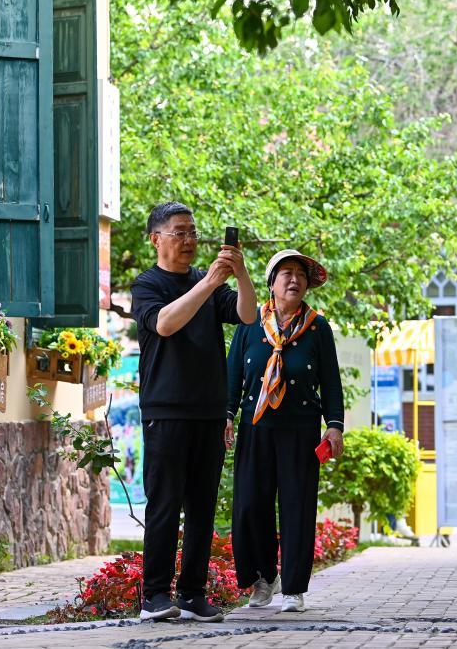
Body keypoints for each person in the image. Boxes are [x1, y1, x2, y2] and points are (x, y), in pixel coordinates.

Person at [131, 202, 257, 622]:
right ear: (157, 239)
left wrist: (237, 272)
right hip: (165, 409)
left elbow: (248, 314)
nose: (189, 240)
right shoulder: (146, 285)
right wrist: (210, 283)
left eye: (193, 232)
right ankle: (154, 596)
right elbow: (166, 324)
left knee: (202, 506)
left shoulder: (208, 280)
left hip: (208, 410)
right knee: (164, 503)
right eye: (180, 232)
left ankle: (192, 594)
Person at [226, 249, 345, 613]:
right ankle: (262, 579)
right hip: (255, 426)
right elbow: (233, 374)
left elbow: (331, 382)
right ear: (271, 283)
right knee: (250, 506)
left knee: (297, 507)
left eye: (300, 275)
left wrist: (335, 426)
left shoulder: (317, 327)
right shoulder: (249, 322)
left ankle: (293, 588)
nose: (294, 280)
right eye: (286, 273)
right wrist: (226, 415)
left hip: (300, 429)